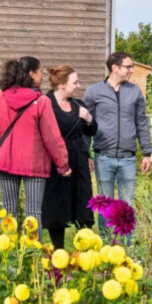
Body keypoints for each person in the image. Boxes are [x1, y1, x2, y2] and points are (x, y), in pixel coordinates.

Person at [0, 56, 71, 231]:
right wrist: (63, 163)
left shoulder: (0, 96)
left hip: (6, 161)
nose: (42, 76)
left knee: (8, 211)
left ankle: (10, 254)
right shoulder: (42, 101)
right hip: (34, 164)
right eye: (40, 72)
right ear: (31, 74)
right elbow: (51, 137)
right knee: (34, 213)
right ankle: (34, 255)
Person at [84, 51, 152, 227]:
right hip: (103, 157)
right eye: (128, 67)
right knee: (103, 204)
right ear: (115, 68)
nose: (131, 70)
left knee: (127, 206)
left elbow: (141, 122)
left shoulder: (135, 91)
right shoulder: (94, 92)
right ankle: (107, 246)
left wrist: (147, 152)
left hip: (128, 158)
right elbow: (85, 126)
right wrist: (87, 154)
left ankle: (127, 248)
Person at [42, 65, 97, 249]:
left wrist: (88, 118)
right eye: (75, 82)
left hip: (79, 161)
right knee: (57, 205)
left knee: (83, 202)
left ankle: (84, 252)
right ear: (63, 85)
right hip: (55, 162)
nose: (78, 85)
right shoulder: (46, 103)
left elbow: (93, 129)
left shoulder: (78, 105)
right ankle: (59, 252)